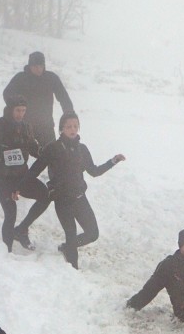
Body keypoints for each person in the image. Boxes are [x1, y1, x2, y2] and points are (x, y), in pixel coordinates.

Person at [23, 112, 124, 269]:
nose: (72, 129)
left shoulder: (82, 149)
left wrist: (113, 161)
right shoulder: (53, 148)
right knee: (71, 236)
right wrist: (27, 189)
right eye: (69, 126)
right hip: (62, 201)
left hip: (80, 199)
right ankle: (73, 270)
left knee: (92, 234)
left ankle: (66, 247)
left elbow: (94, 171)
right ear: (61, 128)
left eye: (75, 126)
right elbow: (33, 172)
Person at [0, 98, 51, 252]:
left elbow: (33, 148)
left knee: (45, 195)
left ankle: (21, 230)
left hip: (22, 176)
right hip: (3, 177)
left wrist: (42, 152)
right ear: (10, 110)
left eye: (23, 111)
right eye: (17, 110)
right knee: (10, 213)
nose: (21, 114)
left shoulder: (26, 127)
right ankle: (6, 252)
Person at [2, 51, 74, 147]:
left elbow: (63, 97)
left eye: (41, 66)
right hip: (23, 125)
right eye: (35, 66)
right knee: (20, 154)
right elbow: (7, 93)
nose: (39, 69)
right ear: (30, 66)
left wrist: (69, 113)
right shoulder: (20, 78)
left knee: (52, 155)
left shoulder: (51, 78)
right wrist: (16, 107)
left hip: (46, 125)